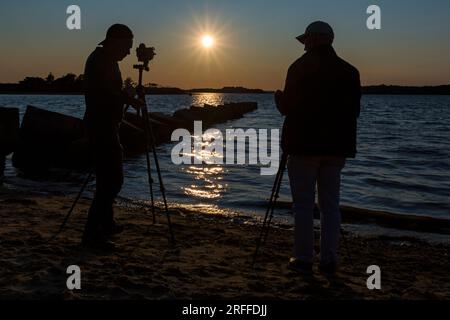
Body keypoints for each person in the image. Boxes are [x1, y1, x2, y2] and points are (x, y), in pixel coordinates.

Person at [275, 21, 361, 275]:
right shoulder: (350, 71)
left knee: (303, 204)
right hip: (336, 147)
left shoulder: (299, 67)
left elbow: (288, 107)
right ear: (330, 40)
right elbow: (354, 111)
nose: (303, 47)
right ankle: (329, 259)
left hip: (303, 145)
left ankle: (303, 258)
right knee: (330, 205)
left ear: (311, 40)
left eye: (305, 42)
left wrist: (279, 100)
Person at [82, 24, 144, 249]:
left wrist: (127, 98)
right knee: (112, 179)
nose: (129, 52)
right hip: (101, 125)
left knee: (106, 177)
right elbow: (105, 97)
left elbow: (110, 94)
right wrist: (127, 97)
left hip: (104, 124)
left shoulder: (105, 60)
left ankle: (106, 223)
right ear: (116, 41)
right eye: (127, 46)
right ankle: (92, 235)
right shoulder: (101, 61)